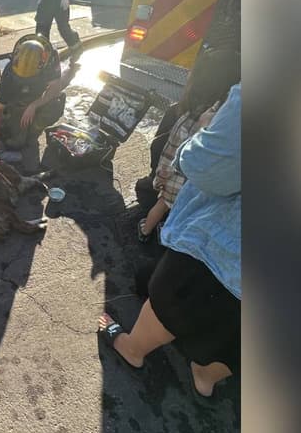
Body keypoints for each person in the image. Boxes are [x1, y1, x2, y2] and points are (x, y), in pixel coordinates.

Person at [99, 83, 241, 397]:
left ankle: (132, 349)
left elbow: (208, 168)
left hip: (230, 242)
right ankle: (205, 377)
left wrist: (205, 127)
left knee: (175, 294)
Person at [137, 46, 241, 243]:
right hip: (198, 194)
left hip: (175, 183)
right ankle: (165, 233)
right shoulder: (226, 122)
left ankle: (146, 230)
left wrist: (160, 177)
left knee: (160, 207)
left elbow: (168, 153)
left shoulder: (186, 117)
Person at [0, 34, 72, 171]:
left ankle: (33, 133)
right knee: (14, 140)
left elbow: (55, 88)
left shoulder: (50, 60)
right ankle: (16, 131)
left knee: (55, 103)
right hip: (18, 98)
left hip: (38, 95)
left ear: (42, 63)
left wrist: (34, 105)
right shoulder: (10, 71)